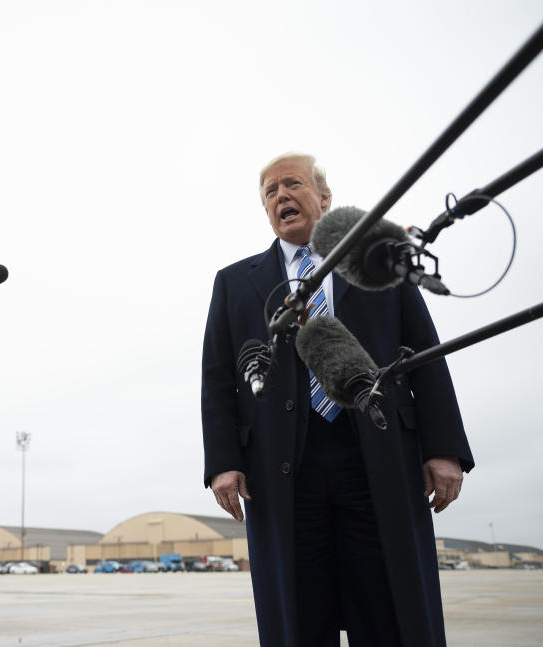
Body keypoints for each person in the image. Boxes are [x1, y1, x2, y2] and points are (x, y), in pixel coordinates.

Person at [201, 153, 473, 647]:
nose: (281, 196)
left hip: (377, 459)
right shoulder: (235, 282)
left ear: (325, 199)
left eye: (292, 184)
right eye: (270, 192)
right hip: (282, 469)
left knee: (389, 606)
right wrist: (222, 461)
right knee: (299, 615)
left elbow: (427, 356)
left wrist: (443, 448)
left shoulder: (378, 263)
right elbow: (218, 379)